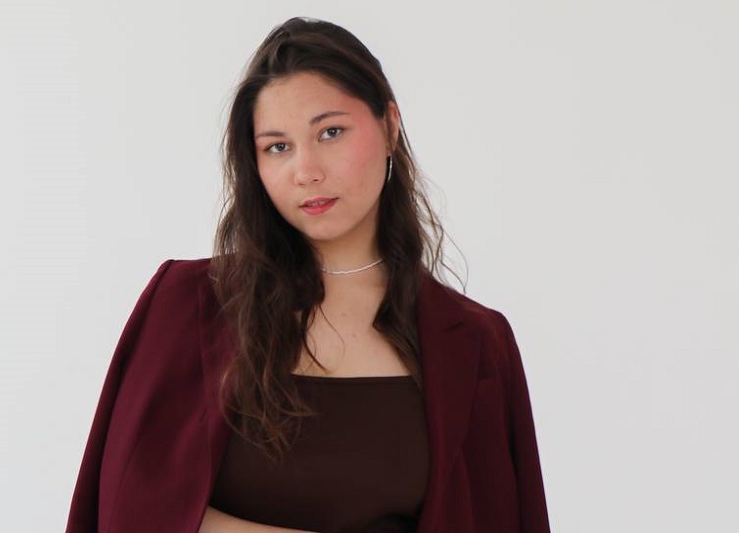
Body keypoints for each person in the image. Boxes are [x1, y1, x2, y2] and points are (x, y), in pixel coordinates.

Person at [65, 16, 551, 533]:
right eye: (278, 146)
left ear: (390, 126)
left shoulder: (476, 342)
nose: (307, 171)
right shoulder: (188, 304)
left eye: (331, 132)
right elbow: (129, 511)